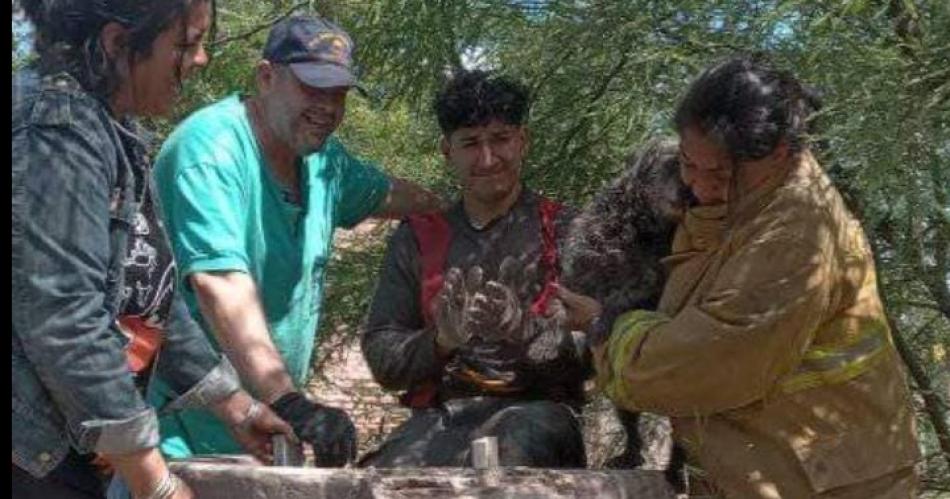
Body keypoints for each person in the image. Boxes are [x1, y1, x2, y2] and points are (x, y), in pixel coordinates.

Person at [557, 54, 920, 497]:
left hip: (827, 483)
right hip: (779, 471)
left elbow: (704, 363)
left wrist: (607, 329)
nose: (698, 186)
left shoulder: (795, 232)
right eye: (689, 164)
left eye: (718, 173)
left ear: (779, 153)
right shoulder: (745, 202)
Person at [11, 1, 295, 498]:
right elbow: (63, 316)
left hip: (61, 453)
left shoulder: (112, 131)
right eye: (186, 44)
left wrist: (237, 406)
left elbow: (150, 297)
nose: (201, 59)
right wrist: (154, 481)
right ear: (117, 43)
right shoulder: (55, 130)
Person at [150, 14, 445, 464]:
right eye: (313, 87)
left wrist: (455, 207)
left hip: (265, 436)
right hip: (179, 441)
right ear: (266, 77)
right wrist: (291, 401)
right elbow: (220, 284)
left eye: (339, 93)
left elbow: (388, 193)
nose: (328, 106)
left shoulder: (324, 163)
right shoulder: (210, 152)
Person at [359, 69, 589, 468]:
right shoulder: (417, 237)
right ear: (447, 150)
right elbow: (384, 356)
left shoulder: (567, 231)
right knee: (381, 480)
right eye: (470, 143)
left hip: (541, 417)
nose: (487, 158)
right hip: (440, 420)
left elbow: (601, 352)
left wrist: (526, 330)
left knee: (509, 456)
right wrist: (441, 341)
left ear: (523, 141)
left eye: (500, 139)